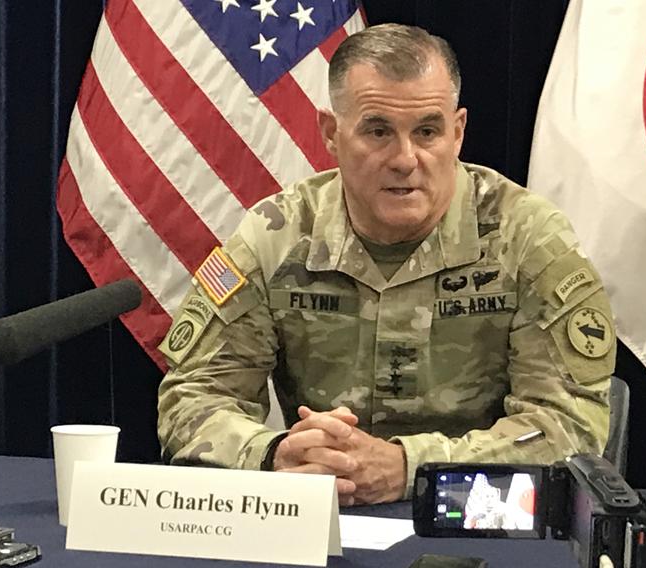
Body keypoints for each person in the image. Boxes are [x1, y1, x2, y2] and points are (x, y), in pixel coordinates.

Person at [157, 23, 615, 506]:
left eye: (428, 131)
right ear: (331, 134)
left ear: (457, 132)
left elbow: (569, 424)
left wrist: (408, 467)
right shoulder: (277, 235)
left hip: (479, 515)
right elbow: (193, 396)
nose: (405, 158)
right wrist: (274, 455)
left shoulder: (527, 237)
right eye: (378, 131)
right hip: (324, 512)